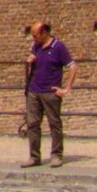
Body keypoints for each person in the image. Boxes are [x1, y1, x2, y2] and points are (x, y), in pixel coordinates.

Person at [22, 20, 76, 167]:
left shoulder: (58, 47)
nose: (34, 38)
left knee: (54, 124)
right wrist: (30, 60)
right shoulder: (36, 46)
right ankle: (34, 156)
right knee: (32, 124)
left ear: (44, 33)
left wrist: (66, 88)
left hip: (50, 92)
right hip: (34, 91)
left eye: (35, 35)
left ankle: (56, 155)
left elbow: (72, 66)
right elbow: (32, 57)